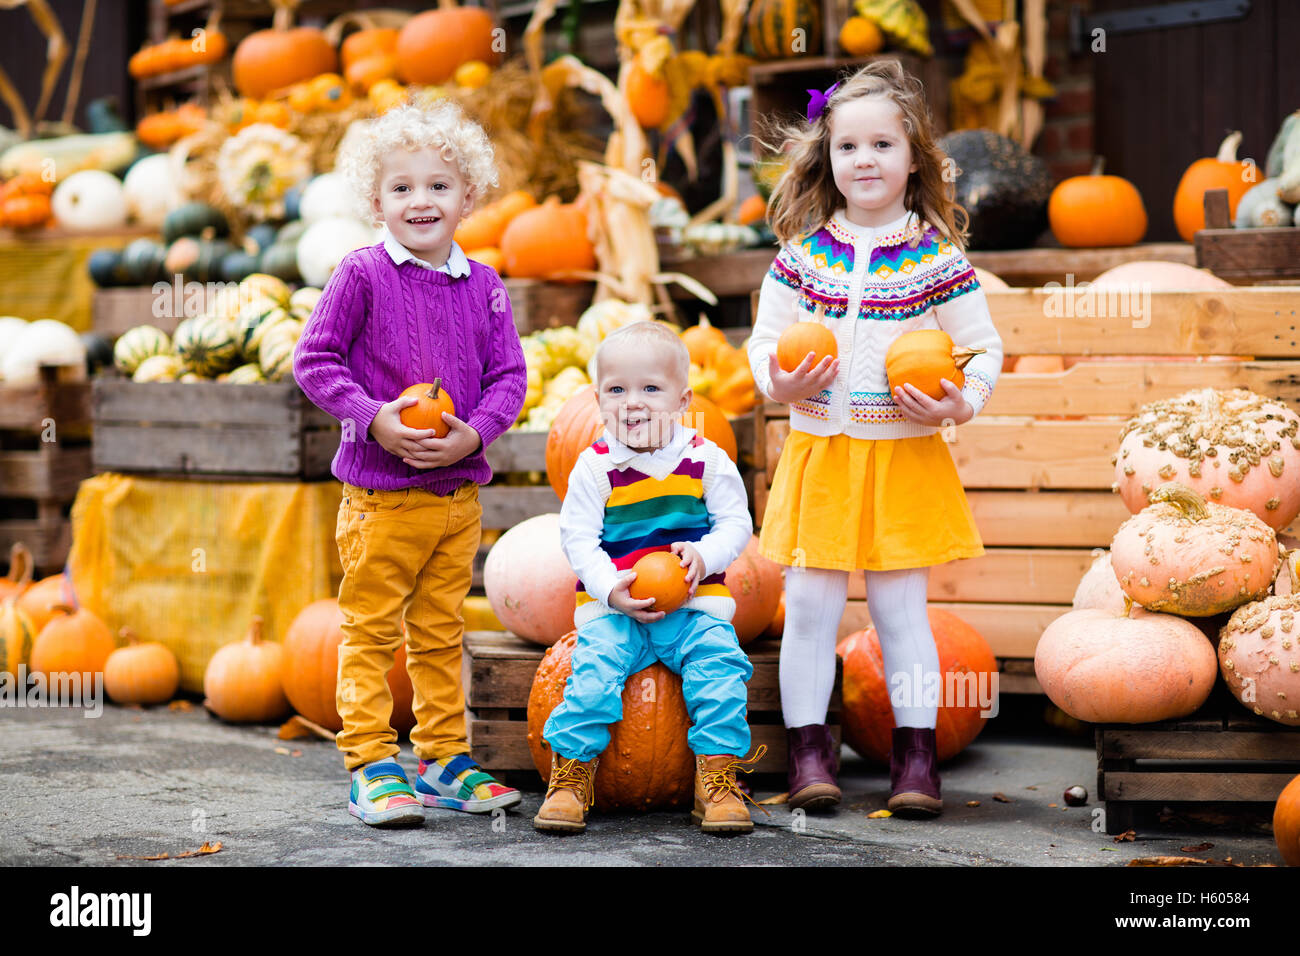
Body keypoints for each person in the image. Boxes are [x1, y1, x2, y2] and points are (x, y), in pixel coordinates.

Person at [748, 59, 1003, 818]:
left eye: (883, 145)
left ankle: (916, 758)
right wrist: (780, 385)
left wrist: (958, 402)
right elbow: (764, 347)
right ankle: (808, 754)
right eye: (849, 146)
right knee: (810, 607)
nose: (865, 159)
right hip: (821, 452)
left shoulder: (935, 258)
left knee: (901, 614)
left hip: (903, 455)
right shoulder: (801, 256)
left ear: (913, 158)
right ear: (827, 160)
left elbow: (984, 348)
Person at [294, 101, 527, 827]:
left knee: (440, 631)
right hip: (382, 498)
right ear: (375, 201)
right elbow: (315, 359)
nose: (420, 201)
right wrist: (374, 421)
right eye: (402, 188)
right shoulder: (361, 275)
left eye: (438, 186)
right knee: (368, 632)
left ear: (468, 197)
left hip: (456, 497)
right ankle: (369, 762)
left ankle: (442, 758)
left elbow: (509, 378)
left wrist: (476, 435)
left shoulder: (484, 283)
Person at [534, 321, 764, 834]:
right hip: (618, 608)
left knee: (721, 673)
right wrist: (608, 588)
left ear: (683, 400)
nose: (632, 403)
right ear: (597, 399)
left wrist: (704, 556)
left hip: (692, 606)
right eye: (617, 390)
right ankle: (571, 776)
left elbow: (736, 523)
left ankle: (717, 779)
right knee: (591, 678)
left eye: (650, 389)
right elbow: (578, 538)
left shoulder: (707, 460)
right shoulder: (594, 469)